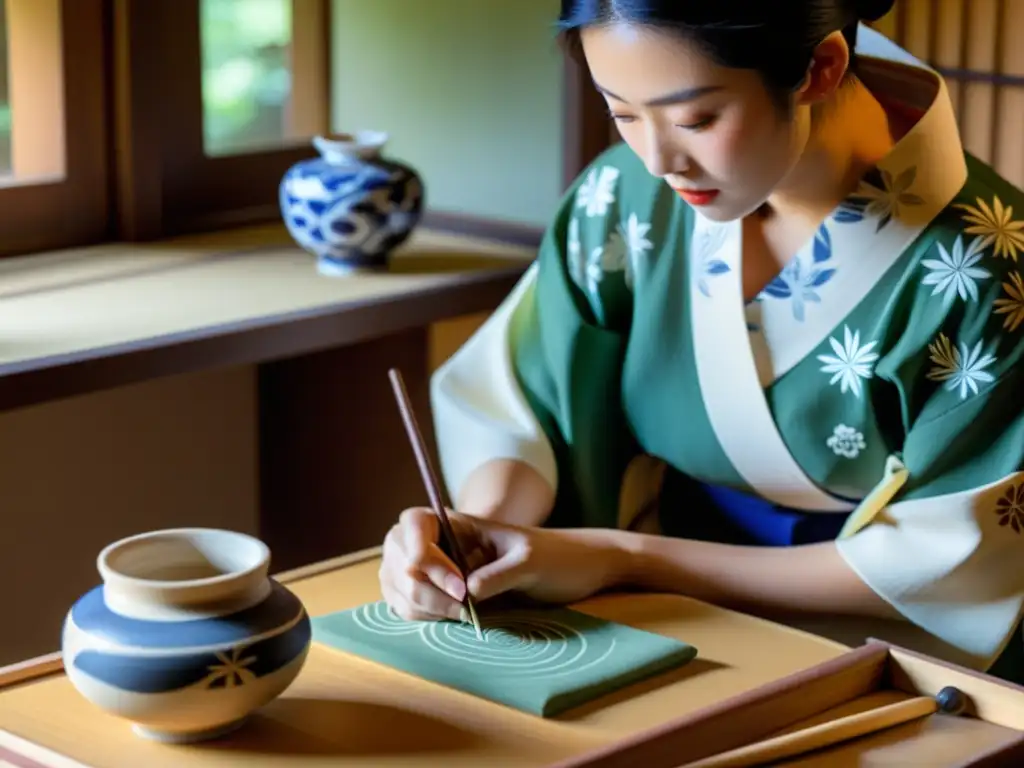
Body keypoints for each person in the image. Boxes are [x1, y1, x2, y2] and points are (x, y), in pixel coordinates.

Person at [379, 0, 1024, 684]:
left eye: (695, 118)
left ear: (821, 67)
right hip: (646, 615)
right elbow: (533, 394)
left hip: (883, 642)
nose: (657, 160)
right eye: (622, 113)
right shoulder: (622, 199)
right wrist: (477, 536)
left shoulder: (987, 272)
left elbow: (951, 562)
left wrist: (626, 559)